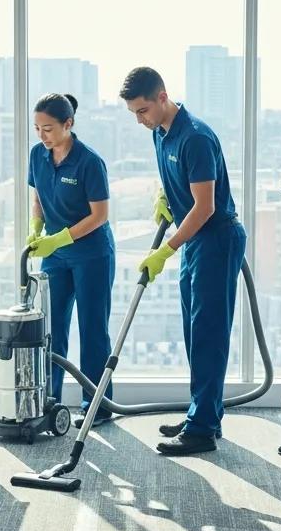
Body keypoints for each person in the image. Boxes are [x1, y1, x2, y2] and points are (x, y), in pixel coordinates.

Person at [120, 66, 246, 456]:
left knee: (209, 333)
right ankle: (202, 414)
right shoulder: (161, 134)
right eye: (134, 114)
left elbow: (205, 207)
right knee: (196, 333)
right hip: (195, 243)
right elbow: (179, 186)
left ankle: (202, 428)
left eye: (142, 110)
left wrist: (165, 249)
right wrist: (166, 198)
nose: (140, 120)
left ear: (162, 97)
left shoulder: (195, 137)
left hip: (216, 239)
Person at [26, 93, 115, 427]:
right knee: (53, 330)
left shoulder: (89, 161)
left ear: (69, 124)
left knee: (93, 329)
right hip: (55, 256)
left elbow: (100, 215)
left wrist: (60, 238)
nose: (42, 135)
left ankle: (98, 406)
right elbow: (38, 197)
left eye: (48, 128)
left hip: (92, 255)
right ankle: (51, 401)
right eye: (37, 128)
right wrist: (36, 229)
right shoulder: (38, 155)